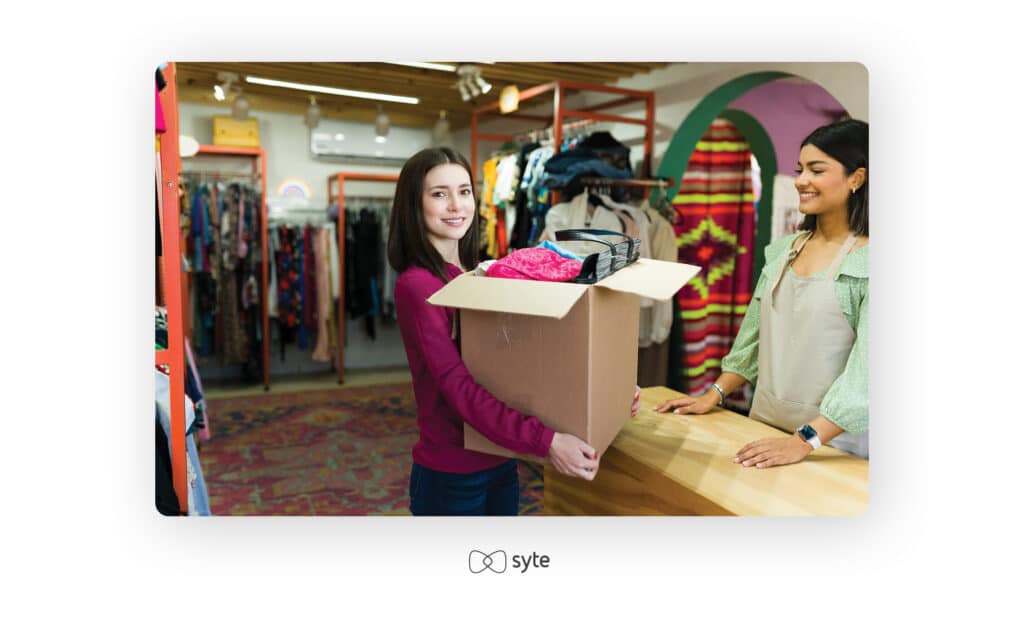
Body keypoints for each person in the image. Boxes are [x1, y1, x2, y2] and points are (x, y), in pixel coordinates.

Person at [388, 147, 639, 516]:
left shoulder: (481, 272)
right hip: (452, 472)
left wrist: (606, 393)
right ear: (414, 203)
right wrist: (546, 440)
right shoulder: (418, 285)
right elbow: (457, 385)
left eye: (464, 191)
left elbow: (522, 362)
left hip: (500, 457)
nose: (456, 205)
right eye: (439, 194)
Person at [656, 119, 869, 468]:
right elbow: (752, 341)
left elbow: (866, 378)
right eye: (800, 170)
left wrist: (804, 442)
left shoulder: (871, 265)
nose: (801, 181)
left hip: (830, 447)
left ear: (855, 178)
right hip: (764, 427)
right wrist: (714, 394)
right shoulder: (784, 251)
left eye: (816, 170)